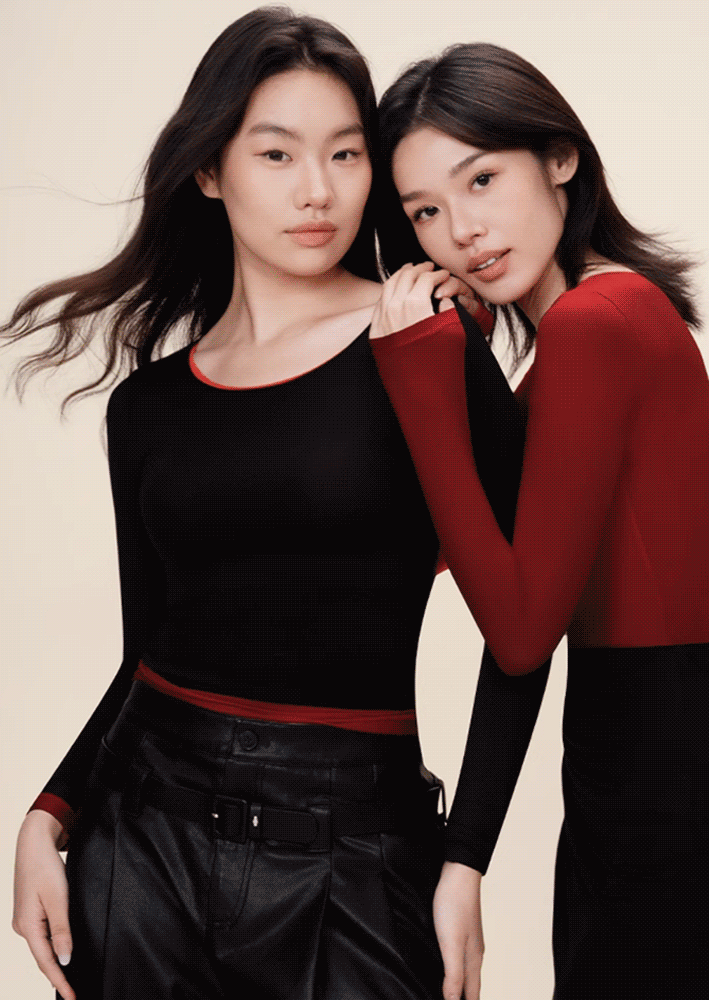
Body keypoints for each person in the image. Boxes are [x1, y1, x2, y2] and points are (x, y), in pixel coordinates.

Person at [6, 13, 535, 1000]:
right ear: (211, 170)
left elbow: (527, 622)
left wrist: (467, 859)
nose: (317, 190)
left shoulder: (423, 344)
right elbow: (146, 654)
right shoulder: (147, 408)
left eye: (346, 153)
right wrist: (49, 812)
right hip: (144, 854)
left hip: (357, 857)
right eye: (277, 153)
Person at [369, 42, 709, 1000]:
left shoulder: (594, 325)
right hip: (655, 765)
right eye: (425, 211)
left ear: (560, 158)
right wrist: (464, 365)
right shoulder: (594, 330)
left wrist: (418, 375)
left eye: (482, 180)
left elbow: (520, 626)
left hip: (661, 784)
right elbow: (473, 561)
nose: (462, 230)